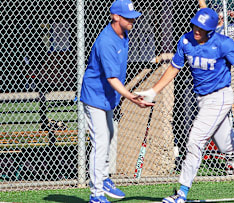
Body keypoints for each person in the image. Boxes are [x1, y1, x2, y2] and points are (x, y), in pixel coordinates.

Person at [135, 8, 234, 203]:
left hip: (220, 97)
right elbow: (174, 68)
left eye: (202, 28)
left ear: (211, 30)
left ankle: (181, 192)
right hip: (203, 99)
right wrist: (153, 90)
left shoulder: (223, 43)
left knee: (194, 140)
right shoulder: (185, 40)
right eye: (195, 25)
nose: (196, 30)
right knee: (227, 144)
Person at [80, 1, 154, 203]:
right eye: (128, 17)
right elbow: (112, 79)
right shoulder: (106, 42)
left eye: (133, 16)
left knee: (110, 135)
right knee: (101, 141)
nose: (133, 20)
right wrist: (131, 98)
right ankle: (95, 194)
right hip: (95, 96)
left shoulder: (124, 35)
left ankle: (103, 179)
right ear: (115, 17)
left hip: (107, 97)